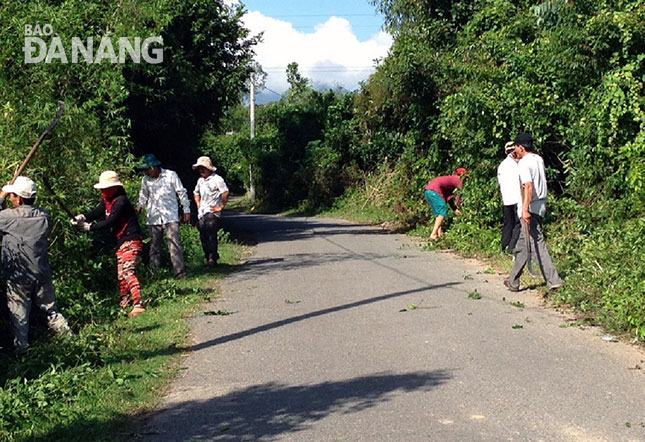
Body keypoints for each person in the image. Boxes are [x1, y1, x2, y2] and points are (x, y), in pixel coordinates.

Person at [0, 176, 71, 354]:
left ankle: (22, 351)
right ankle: (70, 338)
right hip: (41, 272)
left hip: (19, 275)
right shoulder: (43, 215)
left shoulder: (8, 217)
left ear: (19, 198)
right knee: (51, 310)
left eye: (13, 195)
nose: (10, 198)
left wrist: (1, 195)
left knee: (20, 316)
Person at [72, 171, 145, 316]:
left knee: (128, 271)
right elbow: (97, 212)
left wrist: (90, 227)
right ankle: (124, 304)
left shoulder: (121, 201)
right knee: (121, 275)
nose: (103, 191)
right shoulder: (107, 201)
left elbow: (110, 220)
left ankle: (138, 303)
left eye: (106, 188)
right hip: (120, 241)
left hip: (131, 239)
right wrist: (82, 217)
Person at [504, 133, 564, 293]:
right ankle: (513, 281)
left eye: (516, 146)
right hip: (540, 205)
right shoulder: (538, 159)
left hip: (530, 207)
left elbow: (528, 186)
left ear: (521, 147)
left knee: (537, 244)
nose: (515, 149)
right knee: (523, 246)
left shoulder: (524, 163)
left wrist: (524, 209)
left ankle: (553, 280)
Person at [136, 154, 191, 279]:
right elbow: (143, 195)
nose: (146, 172)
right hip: (153, 216)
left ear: (154, 167)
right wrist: (139, 206)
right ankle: (154, 273)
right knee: (154, 246)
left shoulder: (171, 175)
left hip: (170, 215)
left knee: (174, 244)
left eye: (147, 169)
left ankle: (179, 272)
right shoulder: (145, 180)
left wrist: (186, 209)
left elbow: (181, 192)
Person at [192, 156, 229, 266]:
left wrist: (221, 206)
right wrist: (198, 205)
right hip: (202, 211)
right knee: (202, 232)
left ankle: (212, 258)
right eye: (199, 168)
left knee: (210, 230)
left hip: (213, 212)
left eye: (203, 168)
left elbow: (225, 192)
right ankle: (208, 255)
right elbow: (196, 193)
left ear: (209, 168)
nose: (201, 170)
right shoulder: (200, 181)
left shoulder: (217, 179)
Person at [423, 167, 468, 239]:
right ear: (462, 175)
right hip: (434, 190)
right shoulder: (458, 180)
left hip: (428, 191)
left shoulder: (450, 182)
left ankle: (439, 233)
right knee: (442, 210)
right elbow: (459, 195)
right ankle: (433, 234)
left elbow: (449, 198)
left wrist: (455, 209)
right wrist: (461, 206)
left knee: (438, 213)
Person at [497, 141, 521, 253]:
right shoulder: (516, 165)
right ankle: (511, 248)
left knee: (508, 224)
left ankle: (504, 247)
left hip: (507, 199)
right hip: (517, 198)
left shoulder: (502, 165)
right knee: (517, 224)